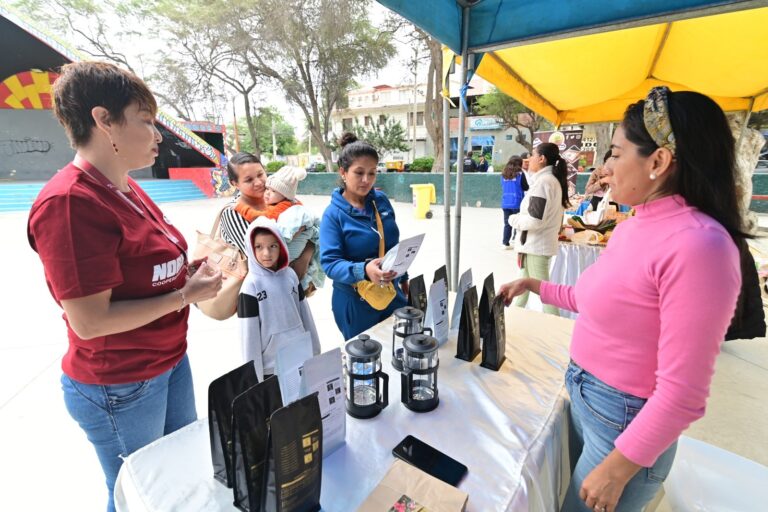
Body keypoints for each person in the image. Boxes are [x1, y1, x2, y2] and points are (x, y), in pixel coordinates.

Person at [499, 87, 745, 512]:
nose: (606, 167)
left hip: (624, 422)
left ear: (658, 162)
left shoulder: (700, 245)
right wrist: (534, 286)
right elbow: (600, 300)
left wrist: (619, 467)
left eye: (615, 153)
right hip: (587, 398)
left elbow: (683, 393)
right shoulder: (634, 225)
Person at [27, 61, 223, 512]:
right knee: (138, 496)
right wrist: (184, 296)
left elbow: (145, 270)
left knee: (177, 482)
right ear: (103, 120)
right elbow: (91, 321)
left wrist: (187, 275)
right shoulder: (71, 203)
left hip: (168, 361)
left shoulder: (127, 187)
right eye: (146, 120)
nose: (158, 135)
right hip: (121, 383)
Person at [320, 132, 408, 340]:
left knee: (398, 349)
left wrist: (404, 278)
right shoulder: (333, 215)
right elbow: (330, 264)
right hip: (355, 302)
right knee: (365, 357)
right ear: (343, 172)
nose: (366, 180)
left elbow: (392, 244)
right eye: (359, 173)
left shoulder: (381, 201)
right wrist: (363, 270)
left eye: (372, 173)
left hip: (391, 293)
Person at [238, 217, 320, 381]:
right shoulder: (250, 286)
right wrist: (255, 380)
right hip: (271, 369)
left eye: (273, 246)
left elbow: (305, 314)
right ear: (251, 248)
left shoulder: (290, 275)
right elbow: (249, 337)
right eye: (259, 247)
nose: (266, 253)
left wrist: (315, 352)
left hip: (300, 357)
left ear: (281, 246)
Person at [220, 152, 315, 285]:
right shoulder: (233, 212)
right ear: (234, 183)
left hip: (290, 285)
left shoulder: (279, 199)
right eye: (249, 180)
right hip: (259, 291)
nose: (258, 182)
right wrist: (303, 248)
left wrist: (305, 254)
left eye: (260, 174)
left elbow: (312, 232)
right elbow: (263, 259)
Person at [233, 165, 324, 293]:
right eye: (267, 189)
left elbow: (258, 217)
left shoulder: (282, 207)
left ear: (285, 195)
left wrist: (241, 207)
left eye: (274, 191)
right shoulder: (292, 203)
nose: (267, 193)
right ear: (235, 183)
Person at [507, 142, 569, 315]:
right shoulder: (546, 181)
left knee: (546, 294)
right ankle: (513, 316)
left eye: (533, 155)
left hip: (536, 246)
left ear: (542, 159)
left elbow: (534, 220)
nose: (529, 159)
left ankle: (558, 324)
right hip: (533, 246)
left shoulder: (544, 183)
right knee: (522, 289)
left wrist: (513, 220)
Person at [500, 155, 529, 249]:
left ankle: (505, 243)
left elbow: (502, 186)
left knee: (507, 224)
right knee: (518, 222)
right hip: (517, 202)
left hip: (505, 202)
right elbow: (525, 187)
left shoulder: (503, 174)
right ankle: (515, 240)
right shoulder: (520, 174)